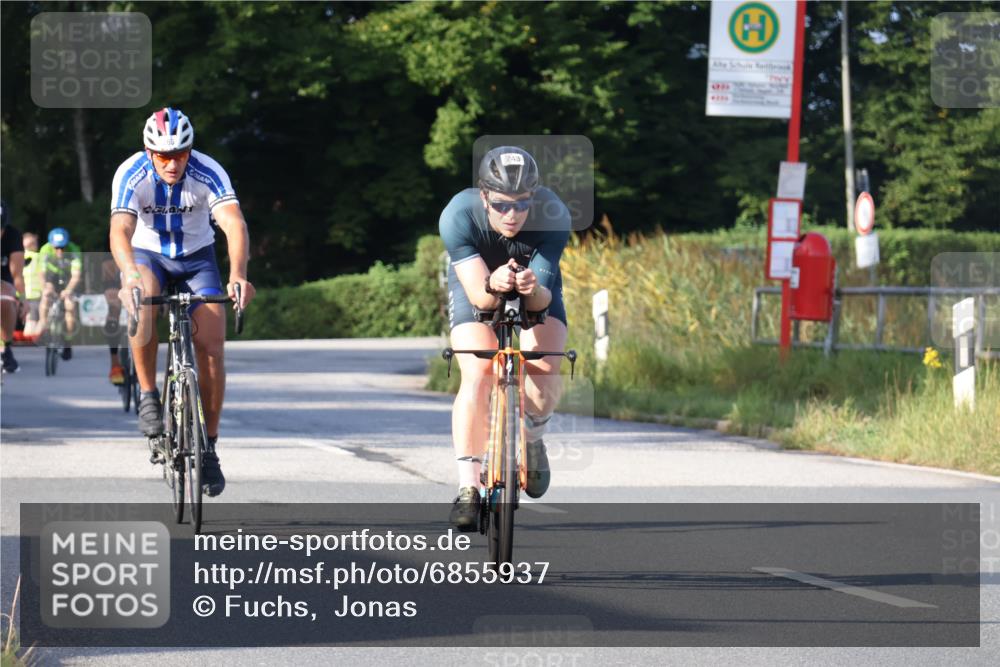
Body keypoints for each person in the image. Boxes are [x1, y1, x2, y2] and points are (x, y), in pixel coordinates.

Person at [109, 107, 255, 497]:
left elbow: (233, 223)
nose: (172, 164)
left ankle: (209, 447)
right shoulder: (131, 173)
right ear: (148, 151)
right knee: (143, 306)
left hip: (197, 258)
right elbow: (120, 229)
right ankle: (148, 394)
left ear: (191, 150)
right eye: (163, 156)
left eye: (180, 154)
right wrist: (128, 274)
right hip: (148, 255)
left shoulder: (209, 172)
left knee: (211, 348)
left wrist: (238, 274)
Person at [439, 146, 571, 531]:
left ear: (535, 198)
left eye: (522, 204)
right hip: (477, 282)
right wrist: (493, 283)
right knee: (479, 370)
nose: (511, 215)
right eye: (500, 206)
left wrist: (531, 288)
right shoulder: (457, 216)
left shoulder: (554, 215)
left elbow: (543, 300)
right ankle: (468, 487)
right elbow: (480, 299)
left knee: (544, 369)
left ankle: (533, 437)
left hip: (534, 282)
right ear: (484, 197)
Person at [37, 227, 83, 360]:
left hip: (68, 278)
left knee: (70, 305)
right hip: (52, 277)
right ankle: (45, 328)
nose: (60, 251)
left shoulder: (74, 250)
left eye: (62, 248)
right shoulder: (45, 249)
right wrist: (45, 287)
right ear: (51, 245)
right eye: (56, 248)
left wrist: (68, 290)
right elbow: (42, 273)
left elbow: (76, 275)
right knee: (45, 297)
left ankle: (68, 340)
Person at [1, 200, 26, 373]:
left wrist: (23, 300)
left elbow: (17, 274)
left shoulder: (13, 235)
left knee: (6, 299)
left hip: (4, 277)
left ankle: (5, 348)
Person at [20, 232, 44, 341]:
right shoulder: (37, 257)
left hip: (21, 294)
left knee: (29, 319)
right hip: (35, 294)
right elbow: (42, 276)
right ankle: (30, 342)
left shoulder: (18, 256)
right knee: (32, 321)